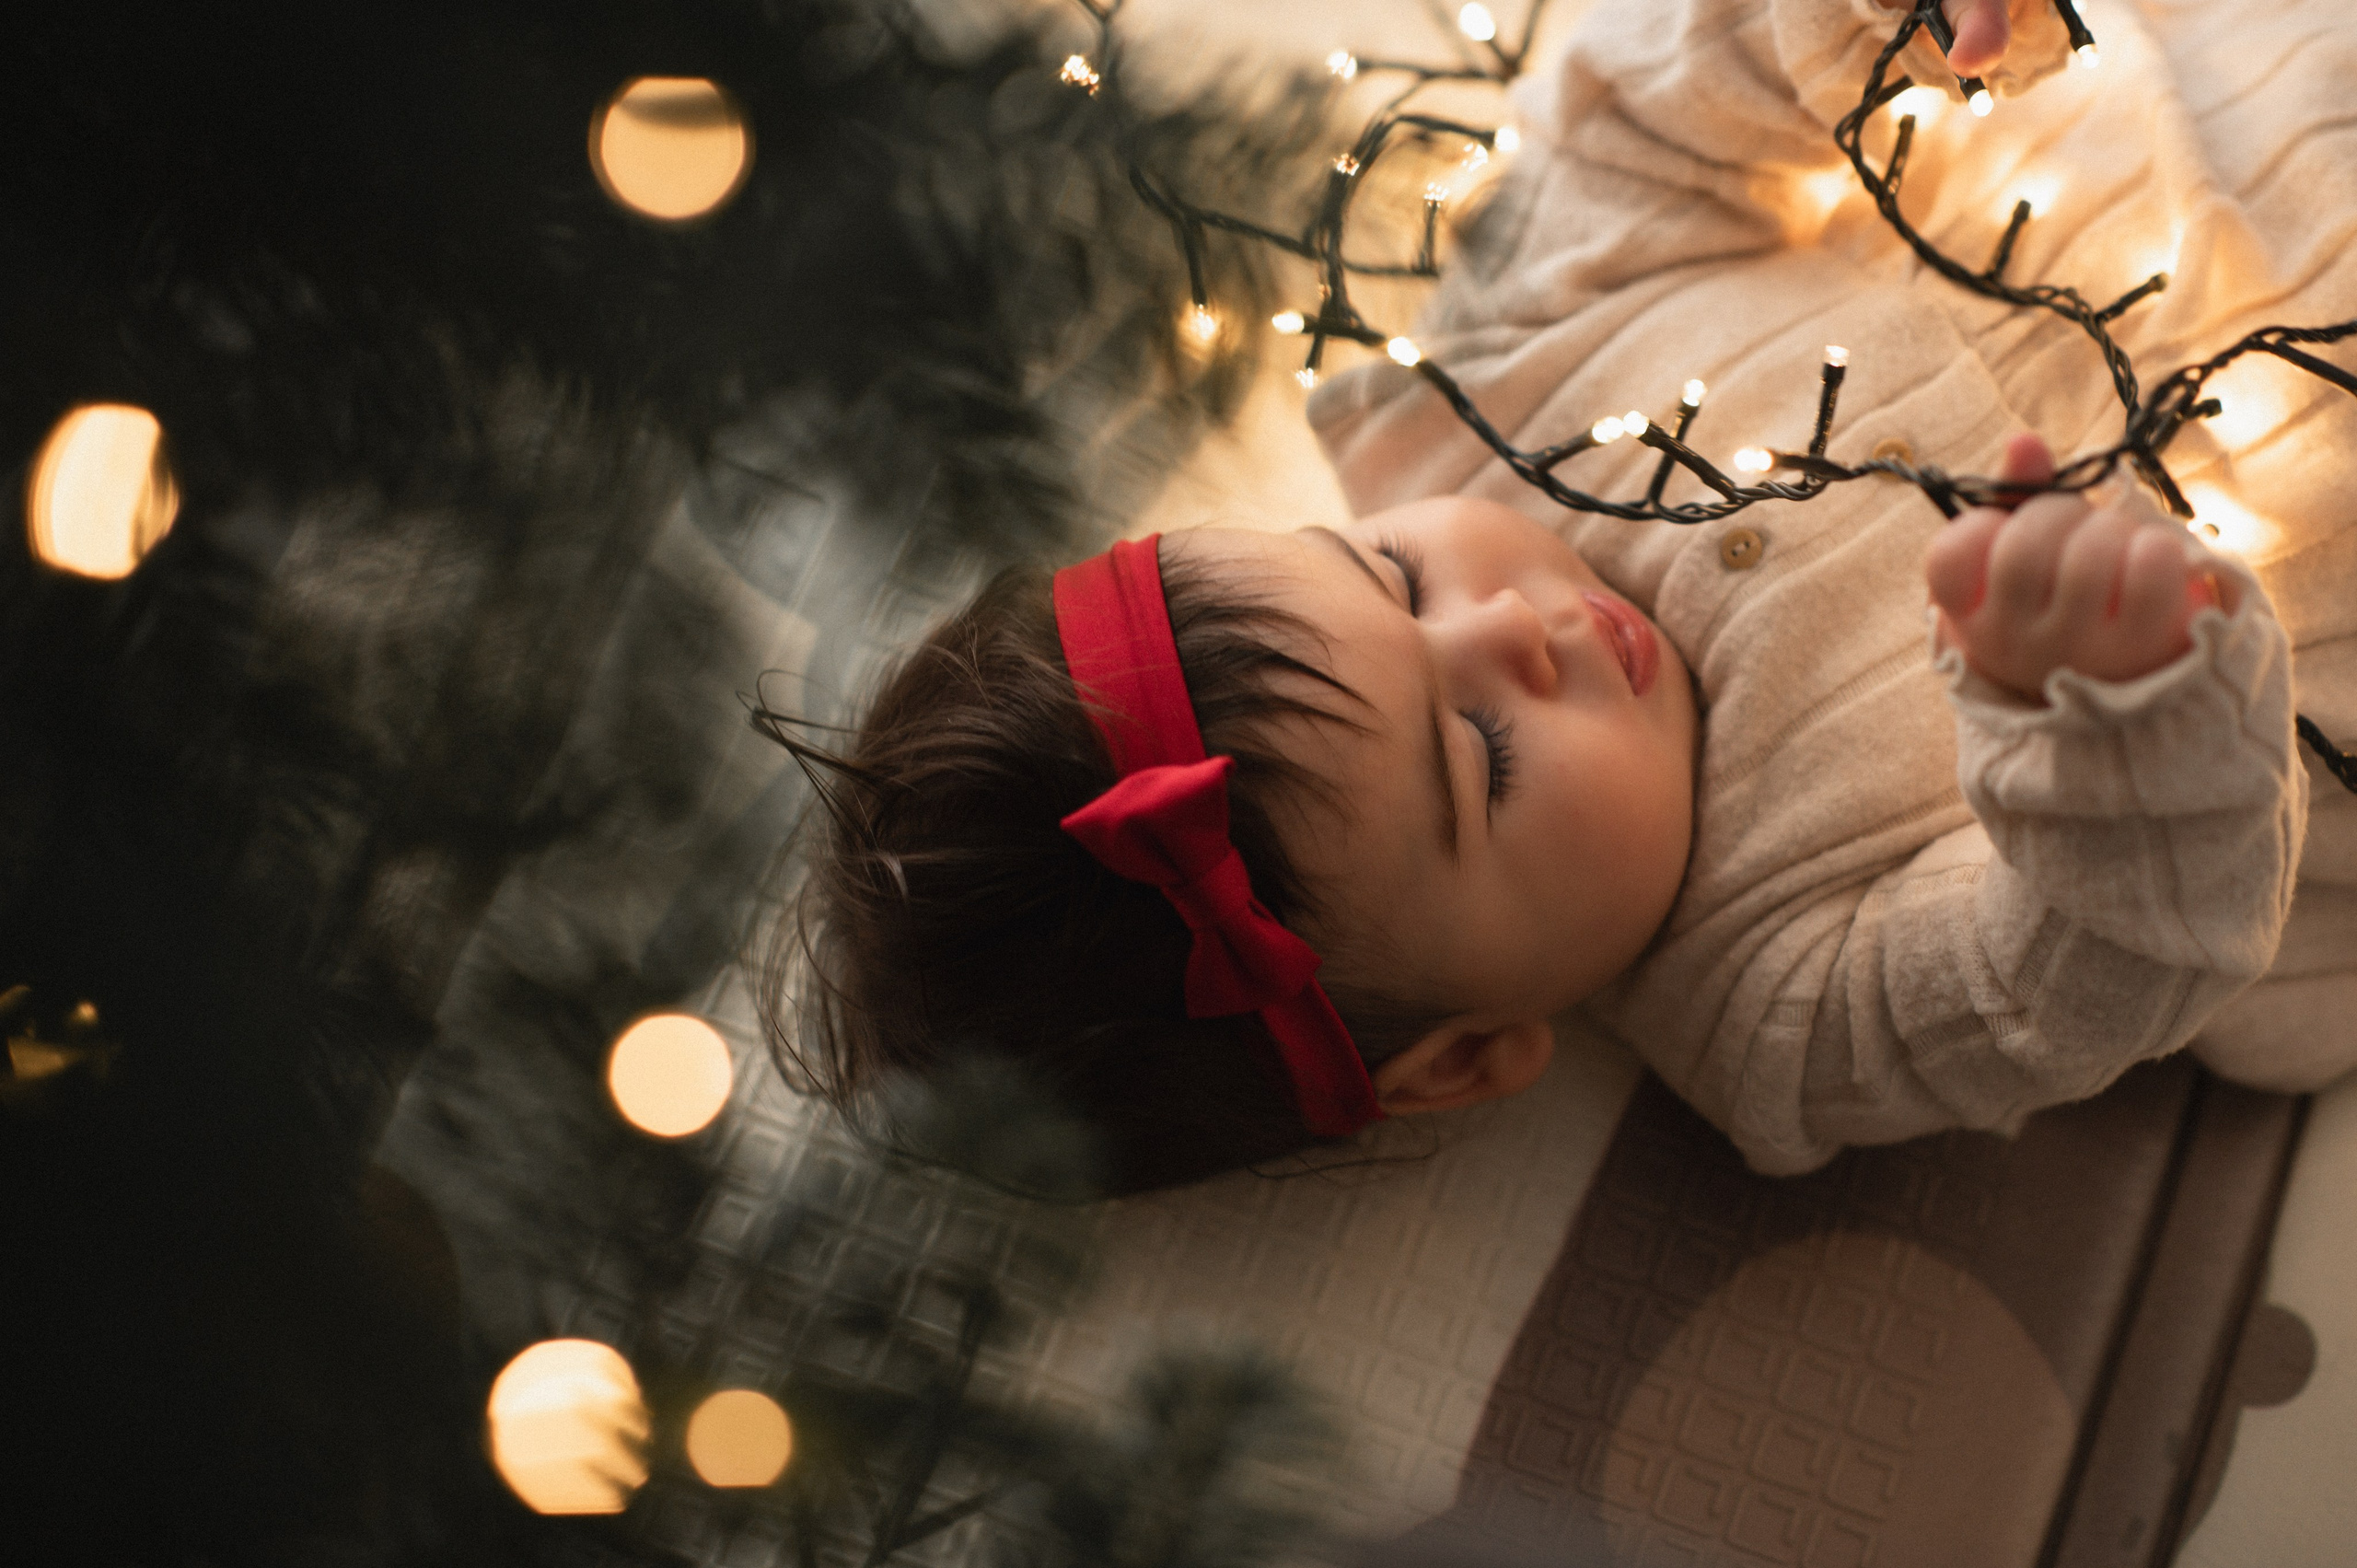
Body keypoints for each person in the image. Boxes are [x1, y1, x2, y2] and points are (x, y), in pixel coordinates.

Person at [761, 0, 2354, 1191]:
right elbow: (2098, 958)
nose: (1510, 625)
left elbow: (1638, 110)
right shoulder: (1785, 1004)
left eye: (1391, 572)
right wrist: (2112, 713)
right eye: (1485, 760)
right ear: (1465, 1057)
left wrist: (1860, 26)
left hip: (2245, 114)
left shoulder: (1475, 388)